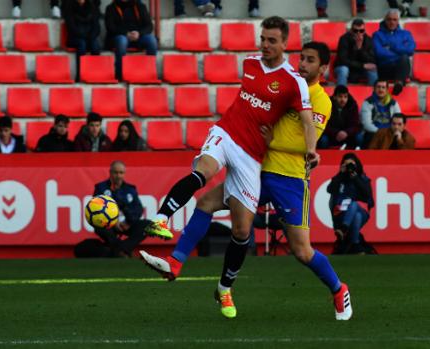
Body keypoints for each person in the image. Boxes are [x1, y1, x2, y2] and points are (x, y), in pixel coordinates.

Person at [140, 41, 353, 321]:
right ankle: (176, 262)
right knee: (205, 203)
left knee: (301, 251)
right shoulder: (287, 83)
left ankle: (339, 290)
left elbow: (305, 140)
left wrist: (272, 140)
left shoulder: (320, 99)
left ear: (324, 68)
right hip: (258, 171)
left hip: (290, 179)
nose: (303, 64)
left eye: (310, 60)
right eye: (301, 58)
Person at [93, 160, 152, 257]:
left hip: (127, 224)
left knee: (149, 225)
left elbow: (138, 210)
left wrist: (129, 222)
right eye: (116, 172)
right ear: (110, 172)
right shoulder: (101, 188)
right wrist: (114, 222)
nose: (118, 176)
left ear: (124, 174)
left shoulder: (130, 189)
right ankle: (123, 251)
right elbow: (96, 209)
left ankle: (121, 249)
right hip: (109, 224)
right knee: (100, 226)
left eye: (121, 173)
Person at [327, 153, 374, 254]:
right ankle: (356, 244)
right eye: (347, 165)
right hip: (341, 213)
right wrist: (340, 174)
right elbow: (330, 189)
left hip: (362, 211)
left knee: (354, 205)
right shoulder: (340, 178)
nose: (350, 167)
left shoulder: (362, 178)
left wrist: (356, 178)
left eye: (351, 164)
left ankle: (343, 230)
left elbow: (368, 196)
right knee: (356, 215)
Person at [105, 0, 158, 79]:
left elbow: (149, 26)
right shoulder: (111, 8)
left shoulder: (140, 6)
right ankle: (119, 74)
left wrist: (139, 33)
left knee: (152, 40)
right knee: (122, 41)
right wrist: (126, 33)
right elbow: (110, 27)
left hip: (139, 36)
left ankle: (149, 72)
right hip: (121, 36)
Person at [373, 9, 415, 96]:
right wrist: (401, 52)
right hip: (385, 68)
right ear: (385, 20)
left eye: (394, 20)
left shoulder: (406, 34)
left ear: (398, 21)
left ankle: (399, 83)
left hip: (400, 68)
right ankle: (399, 82)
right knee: (403, 56)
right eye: (389, 19)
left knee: (404, 58)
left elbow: (410, 50)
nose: (392, 22)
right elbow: (379, 53)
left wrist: (392, 47)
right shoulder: (377, 35)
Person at [63, 0, 101, 80]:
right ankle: (80, 74)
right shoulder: (69, 8)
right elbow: (71, 27)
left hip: (89, 37)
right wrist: (83, 36)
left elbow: (96, 27)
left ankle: (95, 73)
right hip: (74, 37)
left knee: (95, 45)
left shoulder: (92, 7)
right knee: (82, 44)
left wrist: (91, 36)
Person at [334, 18, 377, 86]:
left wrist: (360, 49)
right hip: (347, 67)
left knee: (373, 70)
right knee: (343, 70)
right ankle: (340, 93)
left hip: (361, 69)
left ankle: (374, 94)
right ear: (351, 30)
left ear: (364, 31)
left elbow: (371, 59)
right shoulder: (344, 39)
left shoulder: (368, 40)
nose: (358, 33)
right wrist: (362, 65)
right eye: (355, 30)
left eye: (361, 31)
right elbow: (343, 60)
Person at [359, 79, 401, 148]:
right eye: (378, 87)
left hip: (390, 132)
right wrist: (381, 133)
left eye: (383, 87)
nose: (381, 90)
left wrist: (391, 132)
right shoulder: (367, 102)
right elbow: (366, 124)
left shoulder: (393, 103)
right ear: (374, 89)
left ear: (387, 90)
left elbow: (399, 120)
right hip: (373, 132)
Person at [318, 85, 361, 149]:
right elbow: (323, 124)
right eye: (340, 97)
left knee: (359, 137)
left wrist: (346, 132)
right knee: (323, 139)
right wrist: (336, 133)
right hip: (331, 135)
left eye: (345, 97)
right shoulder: (327, 105)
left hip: (348, 135)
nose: (343, 99)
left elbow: (355, 125)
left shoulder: (353, 105)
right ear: (334, 97)